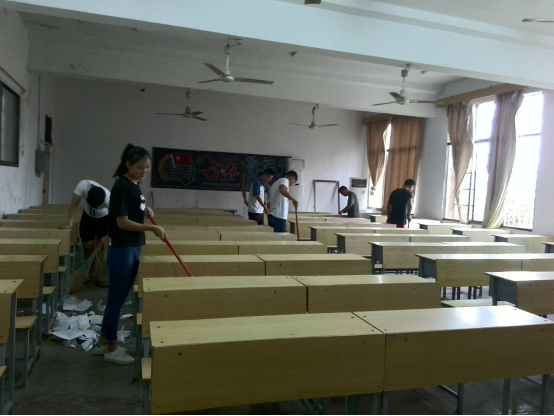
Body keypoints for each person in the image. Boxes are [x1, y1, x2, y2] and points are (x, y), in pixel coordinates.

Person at [94, 144, 166, 365]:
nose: (144, 171)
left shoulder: (134, 185)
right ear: (128, 165)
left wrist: (145, 210)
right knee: (116, 300)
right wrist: (152, 228)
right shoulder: (122, 187)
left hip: (133, 246)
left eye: (147, 167)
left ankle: (103, 341)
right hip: (123, 248)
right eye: (140, 167)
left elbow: (133, 209)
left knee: (118, 298)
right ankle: (112, 347)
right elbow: (122, 222)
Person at [60, 180, 111, 287]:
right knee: (87, 245)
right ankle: (92, 267)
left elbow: (116, 220)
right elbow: (74, 205)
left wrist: (108, 236)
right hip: (88, 217)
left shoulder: (109, 199)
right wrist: (69, 224)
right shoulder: (83, 185)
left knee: (103, 247)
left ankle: (100, 276)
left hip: (104, 219)